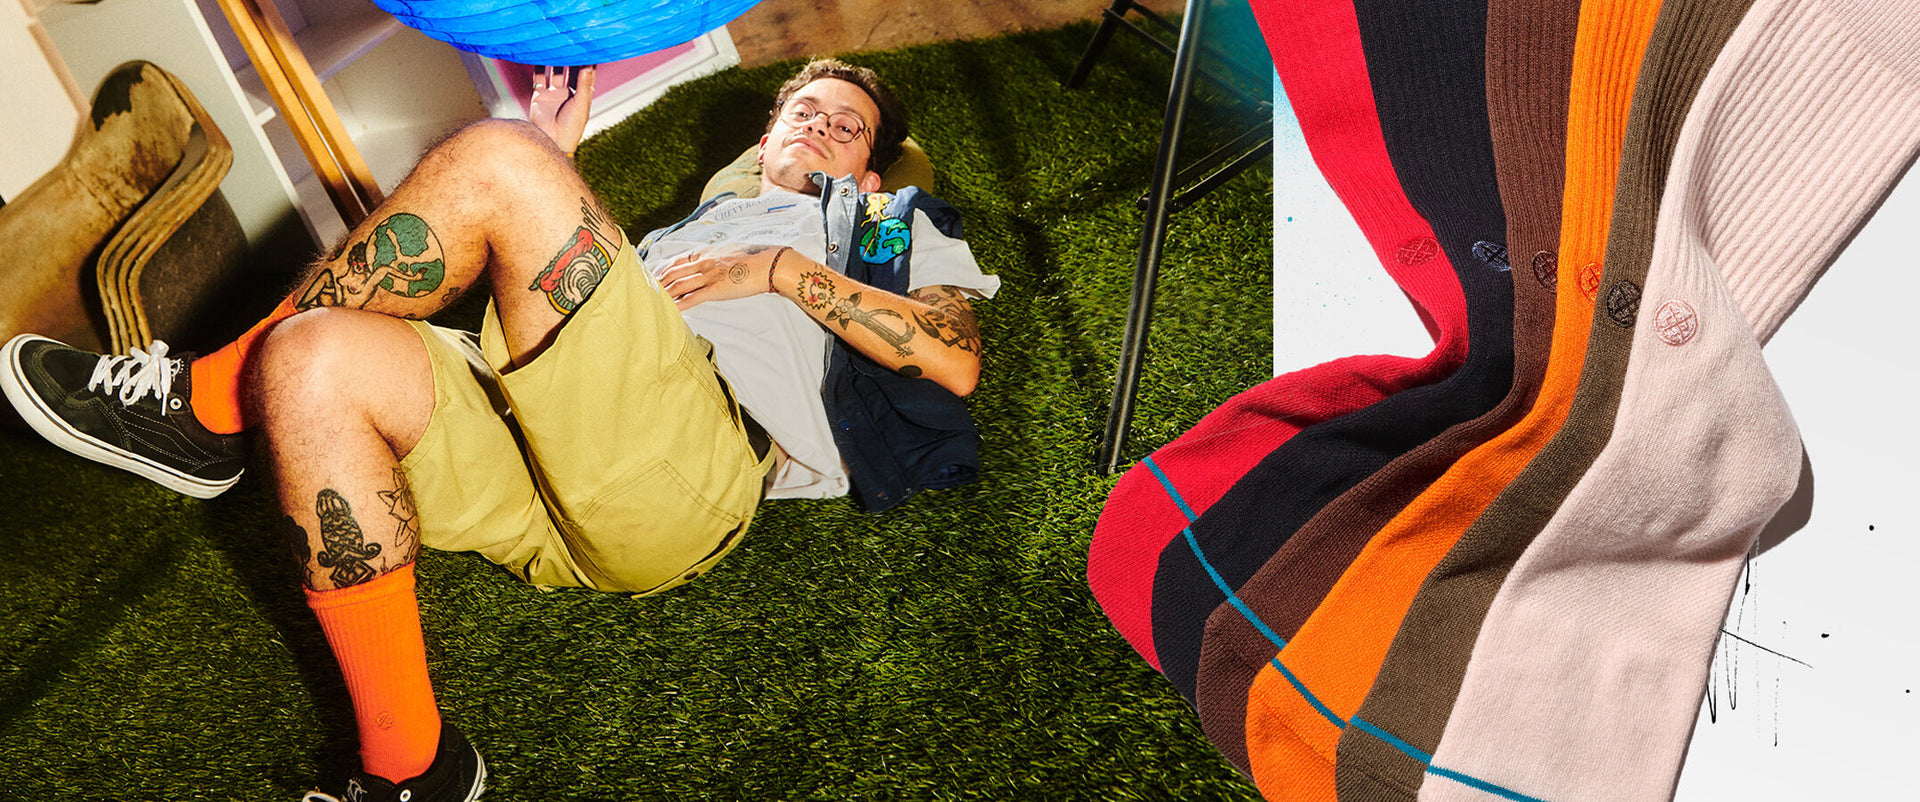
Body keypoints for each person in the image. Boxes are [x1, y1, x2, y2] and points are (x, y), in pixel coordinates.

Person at [1, 58, 998, 801]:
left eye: (849, 127)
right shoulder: (692, 227)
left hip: (691, 469)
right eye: (804, 110)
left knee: (499, 156)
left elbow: (952, 358)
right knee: (307, 358)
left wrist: (779, 270)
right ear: (767, 133)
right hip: (546, 472)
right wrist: (557, 162)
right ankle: (416, 770)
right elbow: (571, 311)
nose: (821, 127)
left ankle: (206, 411)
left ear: (871, 166)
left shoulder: (872, 222)